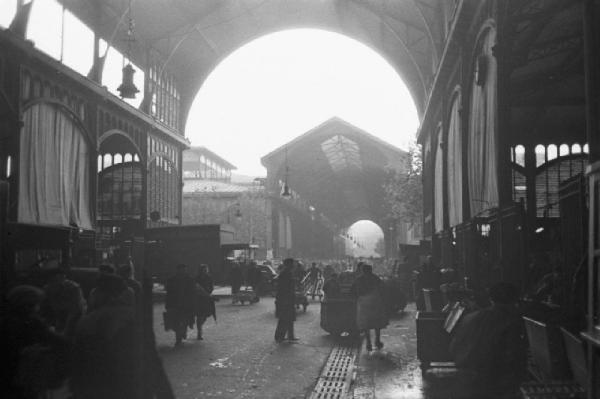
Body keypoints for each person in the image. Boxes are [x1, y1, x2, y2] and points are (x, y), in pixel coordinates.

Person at [449, 282, 527, 398]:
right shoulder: (511, 322)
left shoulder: (469, 318)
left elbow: (453, 349)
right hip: (491, 387)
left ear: (490, 298)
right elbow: (513, 358)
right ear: (515, 301)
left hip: (463, 384)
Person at [0, 285, 74, 399]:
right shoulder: (32, 322)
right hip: (26, 375)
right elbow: (57, 341)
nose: (39, 307)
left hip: (7, 374)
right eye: (37, 304)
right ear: (29, 305)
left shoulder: (5, 321)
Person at [70, 274, 136, 399]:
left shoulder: (87, 320)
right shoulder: (131, 316)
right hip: (124, 384)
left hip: (94, 384)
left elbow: (77, 356)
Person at [351, 264, 387, 352]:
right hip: (375, 301)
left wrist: (358, 297)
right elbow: (383, 288)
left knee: (366, 323)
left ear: (363, 271)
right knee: (377, 322)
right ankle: (377, 341)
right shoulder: (375, 278)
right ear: (371, 270)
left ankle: (368, 343)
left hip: (363, 302)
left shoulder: (359, 279)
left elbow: (352, 290)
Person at [165, 264, 197, 346]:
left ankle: (183, 332)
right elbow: (169, 293)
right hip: (175, 304)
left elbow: (193, 293)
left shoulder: (190, 280)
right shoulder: (172, 280)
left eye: (184, 270)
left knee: (185, 321)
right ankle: (178, 338)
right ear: (178, 270)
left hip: (186, 305)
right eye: (181, 270)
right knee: (176, 322)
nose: (183, 271)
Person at [274, 258, 298, 343]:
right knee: (284, 318)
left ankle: (290, 336)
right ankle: (279, 336)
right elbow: (283, 288)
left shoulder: (287, 273)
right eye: (292, 264)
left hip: (287, 298)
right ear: (289, 264)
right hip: (285, 299)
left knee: (289, 318)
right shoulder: (285, 273)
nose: (294, 265)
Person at [195, 264, 215, 340]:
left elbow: (211, 287)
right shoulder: (197, 278)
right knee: (199, 316)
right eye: (203, 269)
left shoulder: (209, 278)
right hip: (199, 299)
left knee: (205, 316)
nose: (204, 271)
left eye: (205, 269)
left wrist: (208, 291)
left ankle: (200, 327)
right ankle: (199, 332)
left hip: (206, 299)